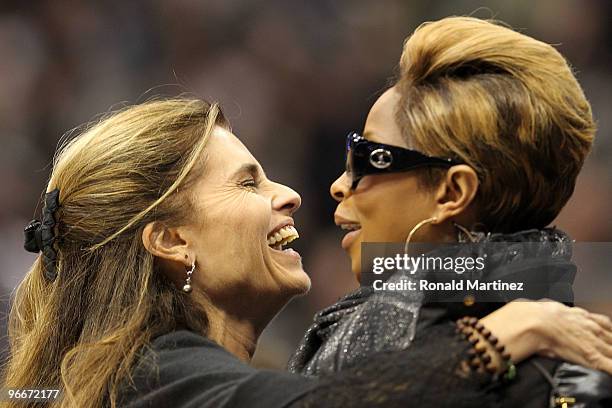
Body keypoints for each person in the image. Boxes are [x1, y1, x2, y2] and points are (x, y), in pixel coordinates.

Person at [3, 97, 612, 408]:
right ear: (170, 239)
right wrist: (504, 333)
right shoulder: (145, 376)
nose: (292, 195)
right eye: (249, 183)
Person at [288, 16, 612, 406]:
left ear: (452, 192)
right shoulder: (538, 335)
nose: (339, 185)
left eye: (366, 158)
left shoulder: (560, 380)